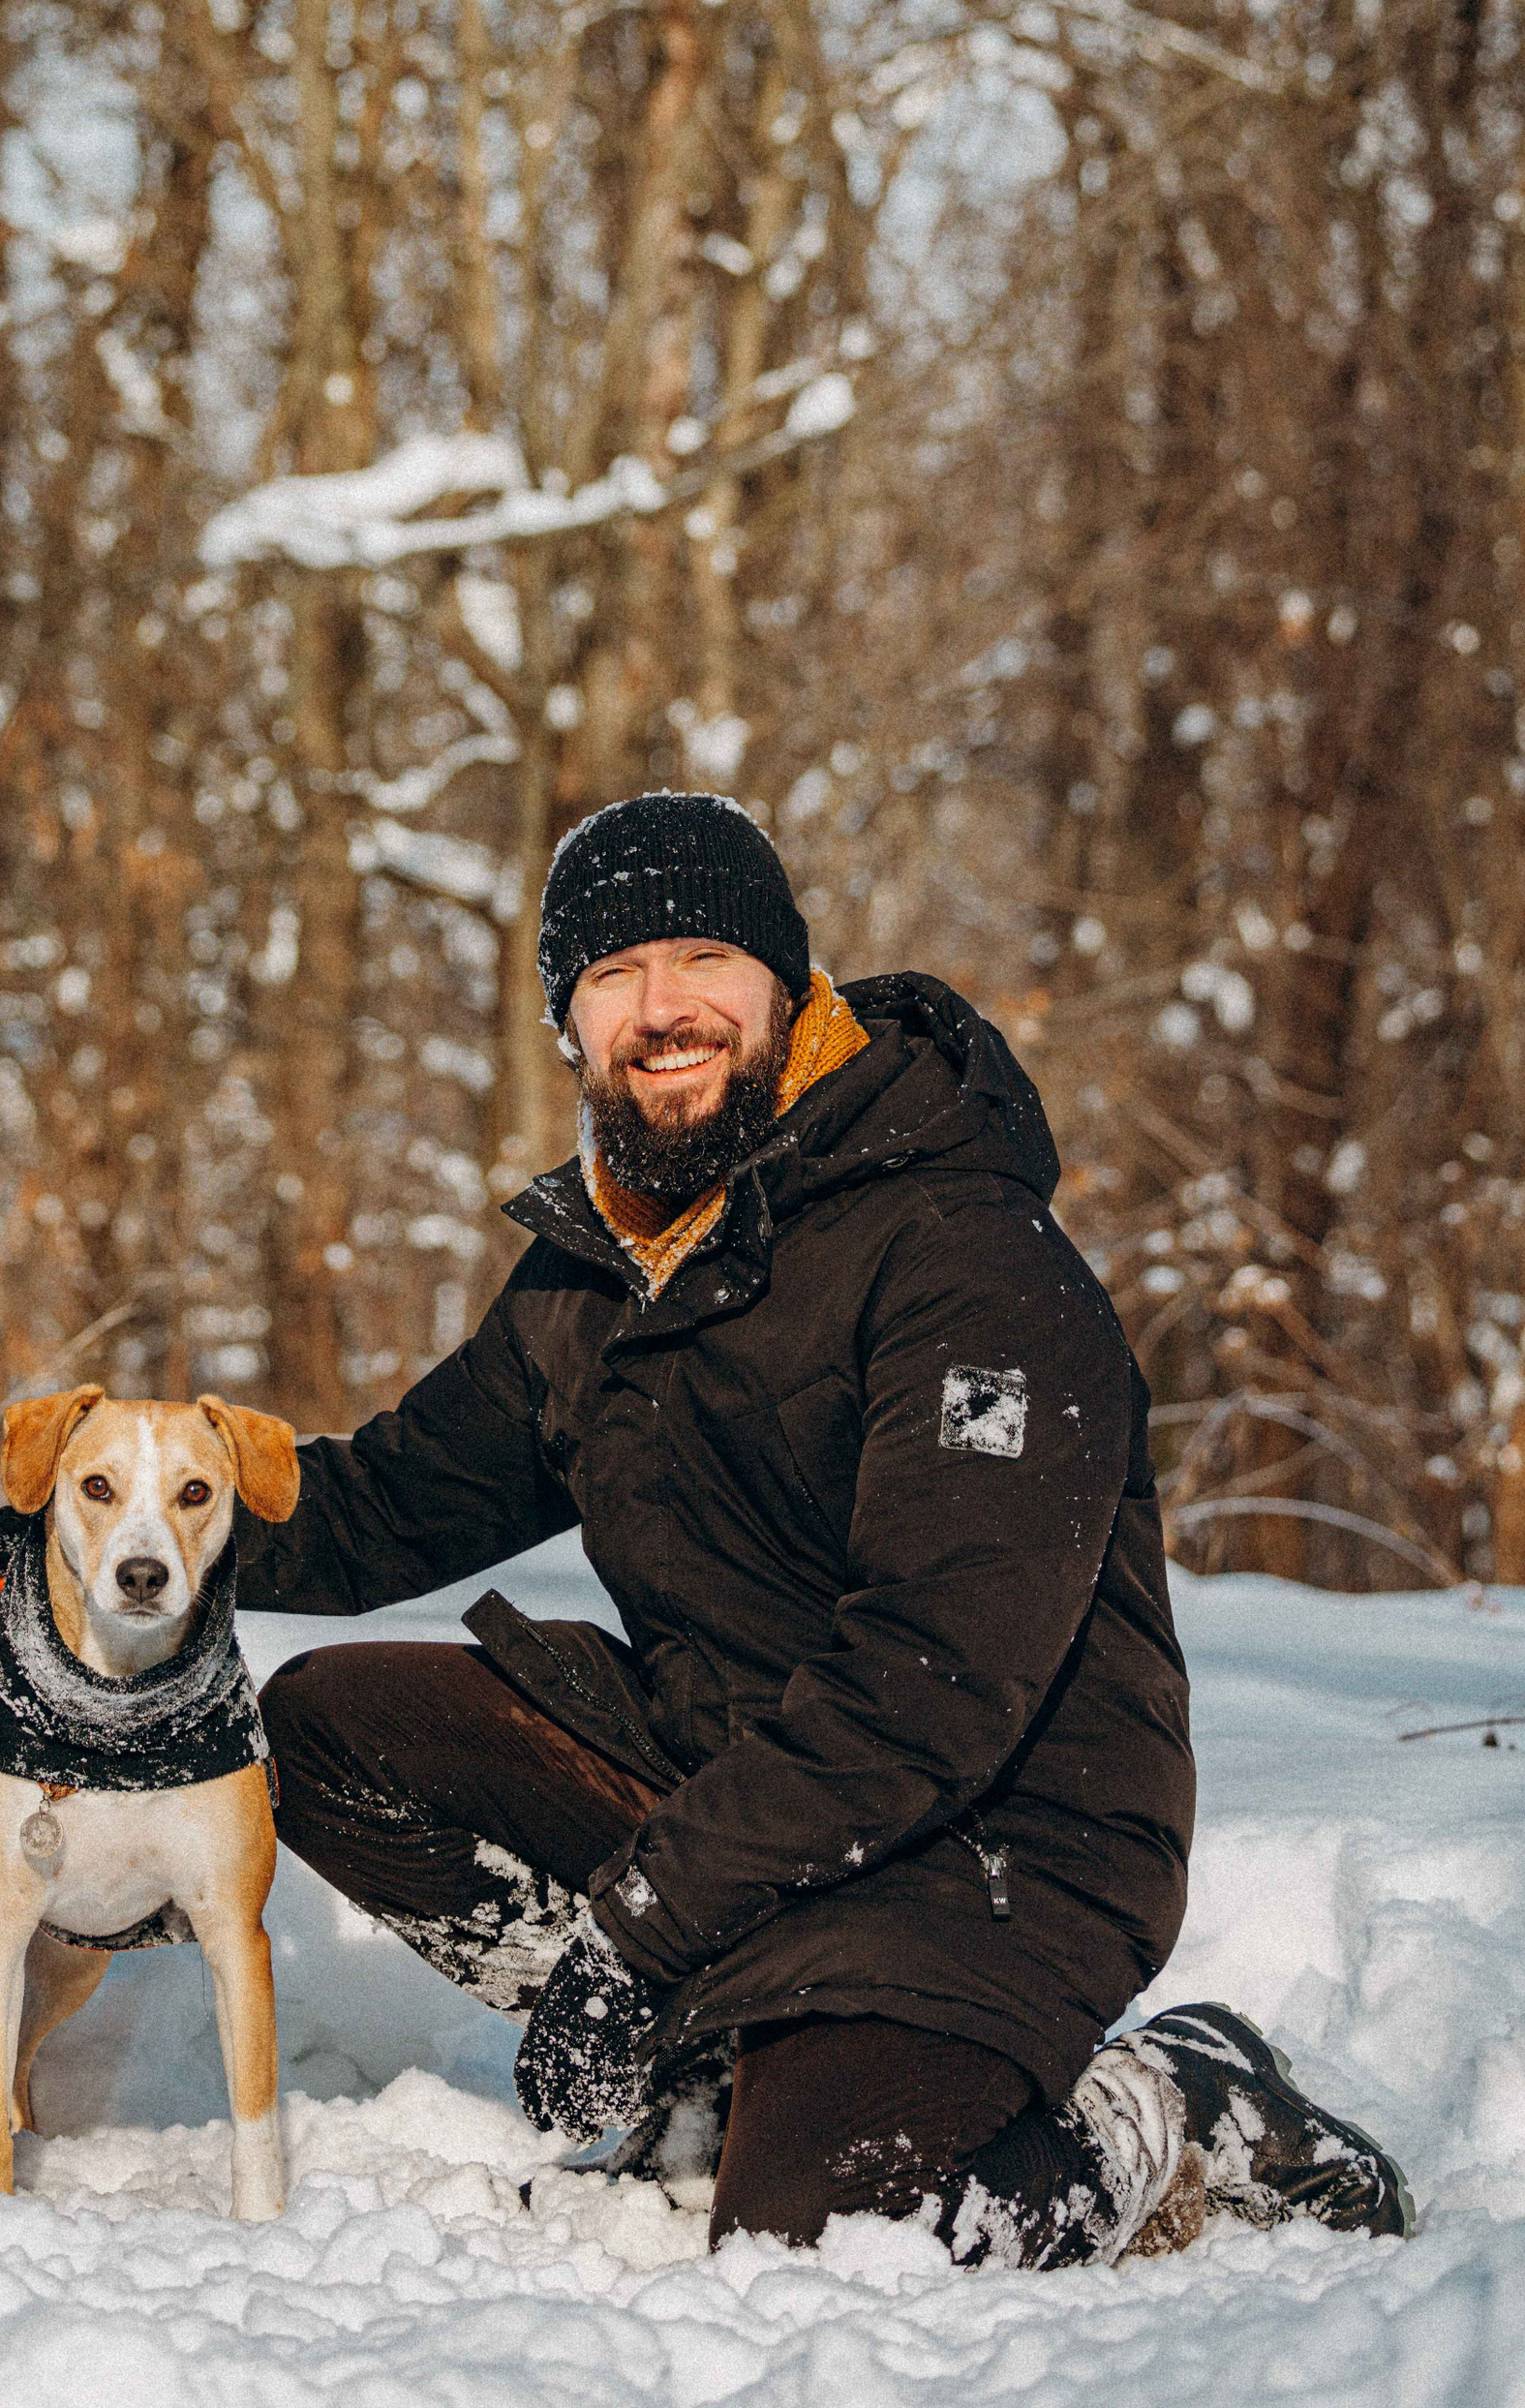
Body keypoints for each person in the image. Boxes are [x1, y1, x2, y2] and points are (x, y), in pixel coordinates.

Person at [241, 789, 1413, 2263]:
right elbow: (376, 1506)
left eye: (701, 961)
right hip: (744, 1794)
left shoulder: (963, 1251)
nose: (660, 1010)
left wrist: (640, 1924)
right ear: (569, 1024)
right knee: (331, 1730)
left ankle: (1181, 2102)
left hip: (994, 1840)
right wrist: (84, 1529)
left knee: (833, 2232)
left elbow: (935, 1677)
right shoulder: (592, 1277)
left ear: (787, 987)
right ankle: (715, 2054)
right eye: (610, 977)